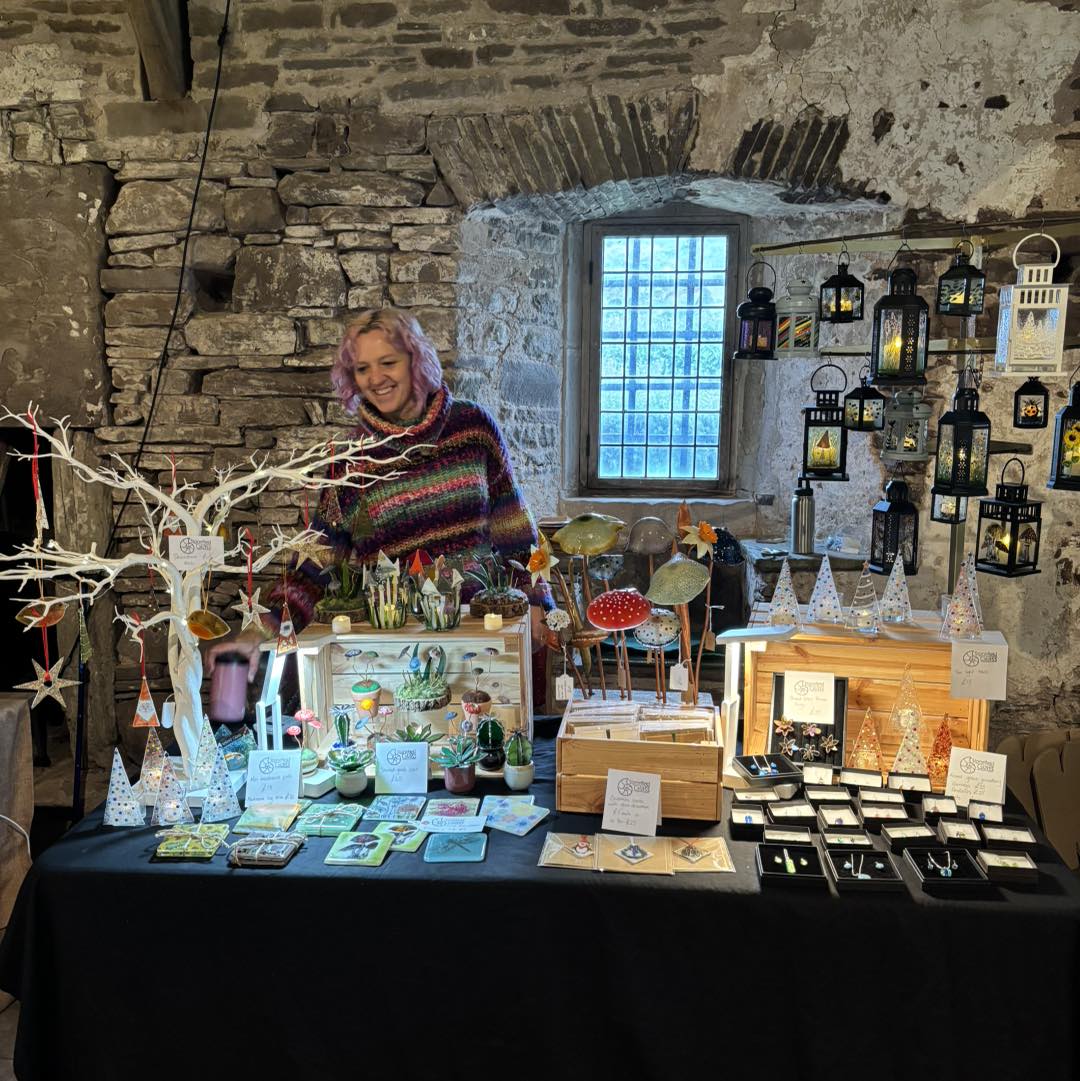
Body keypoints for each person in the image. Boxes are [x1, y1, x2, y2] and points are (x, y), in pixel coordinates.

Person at [207, 307, 552, 684]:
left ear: (415, 360)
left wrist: (537, 601)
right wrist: (256, 634)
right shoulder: (352, 462)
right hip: (399, 655)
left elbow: (516, 531)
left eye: (388, 362)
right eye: (362, 368)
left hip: (486, 637)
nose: (375, 378)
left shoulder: (472, 428)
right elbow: (315, 564)